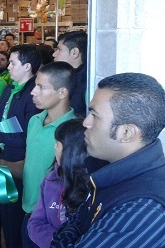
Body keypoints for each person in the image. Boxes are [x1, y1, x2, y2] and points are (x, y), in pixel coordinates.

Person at [52, 73, 165, 247]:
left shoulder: (142, 209)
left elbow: (72, 229)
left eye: (95, 116)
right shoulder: (109, 171)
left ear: (127, 133)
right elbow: (76, 221)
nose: (85, 123)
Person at [0, 61, 77, 247]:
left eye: (41, 87)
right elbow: (28, 165)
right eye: (35, 86)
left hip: (51, 221)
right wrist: (0, 162)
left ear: (62, 92)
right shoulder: (35, 121)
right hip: (28, 211)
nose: (33, 92)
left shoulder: (72, 133)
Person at [0, 44, 42, 248]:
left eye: (13, 63)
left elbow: (31, 136)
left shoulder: (33, 95)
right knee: (5, 208)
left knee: (16, 215)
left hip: (19, 161)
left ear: (27, 66)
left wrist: (3, 136)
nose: (8, 66)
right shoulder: (10, 88)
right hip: (3, 158)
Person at [27, 119, 90, 248]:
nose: (54, 147)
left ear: (73, 150)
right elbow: (35, 223)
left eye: (58, 143)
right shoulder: (50, 180)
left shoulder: (93, 185)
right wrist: (57, 242)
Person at [53, 31, 87, 116]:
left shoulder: (87, 84)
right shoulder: (67, 76)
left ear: (74, 53)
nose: (54, 54)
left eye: (59, 49)